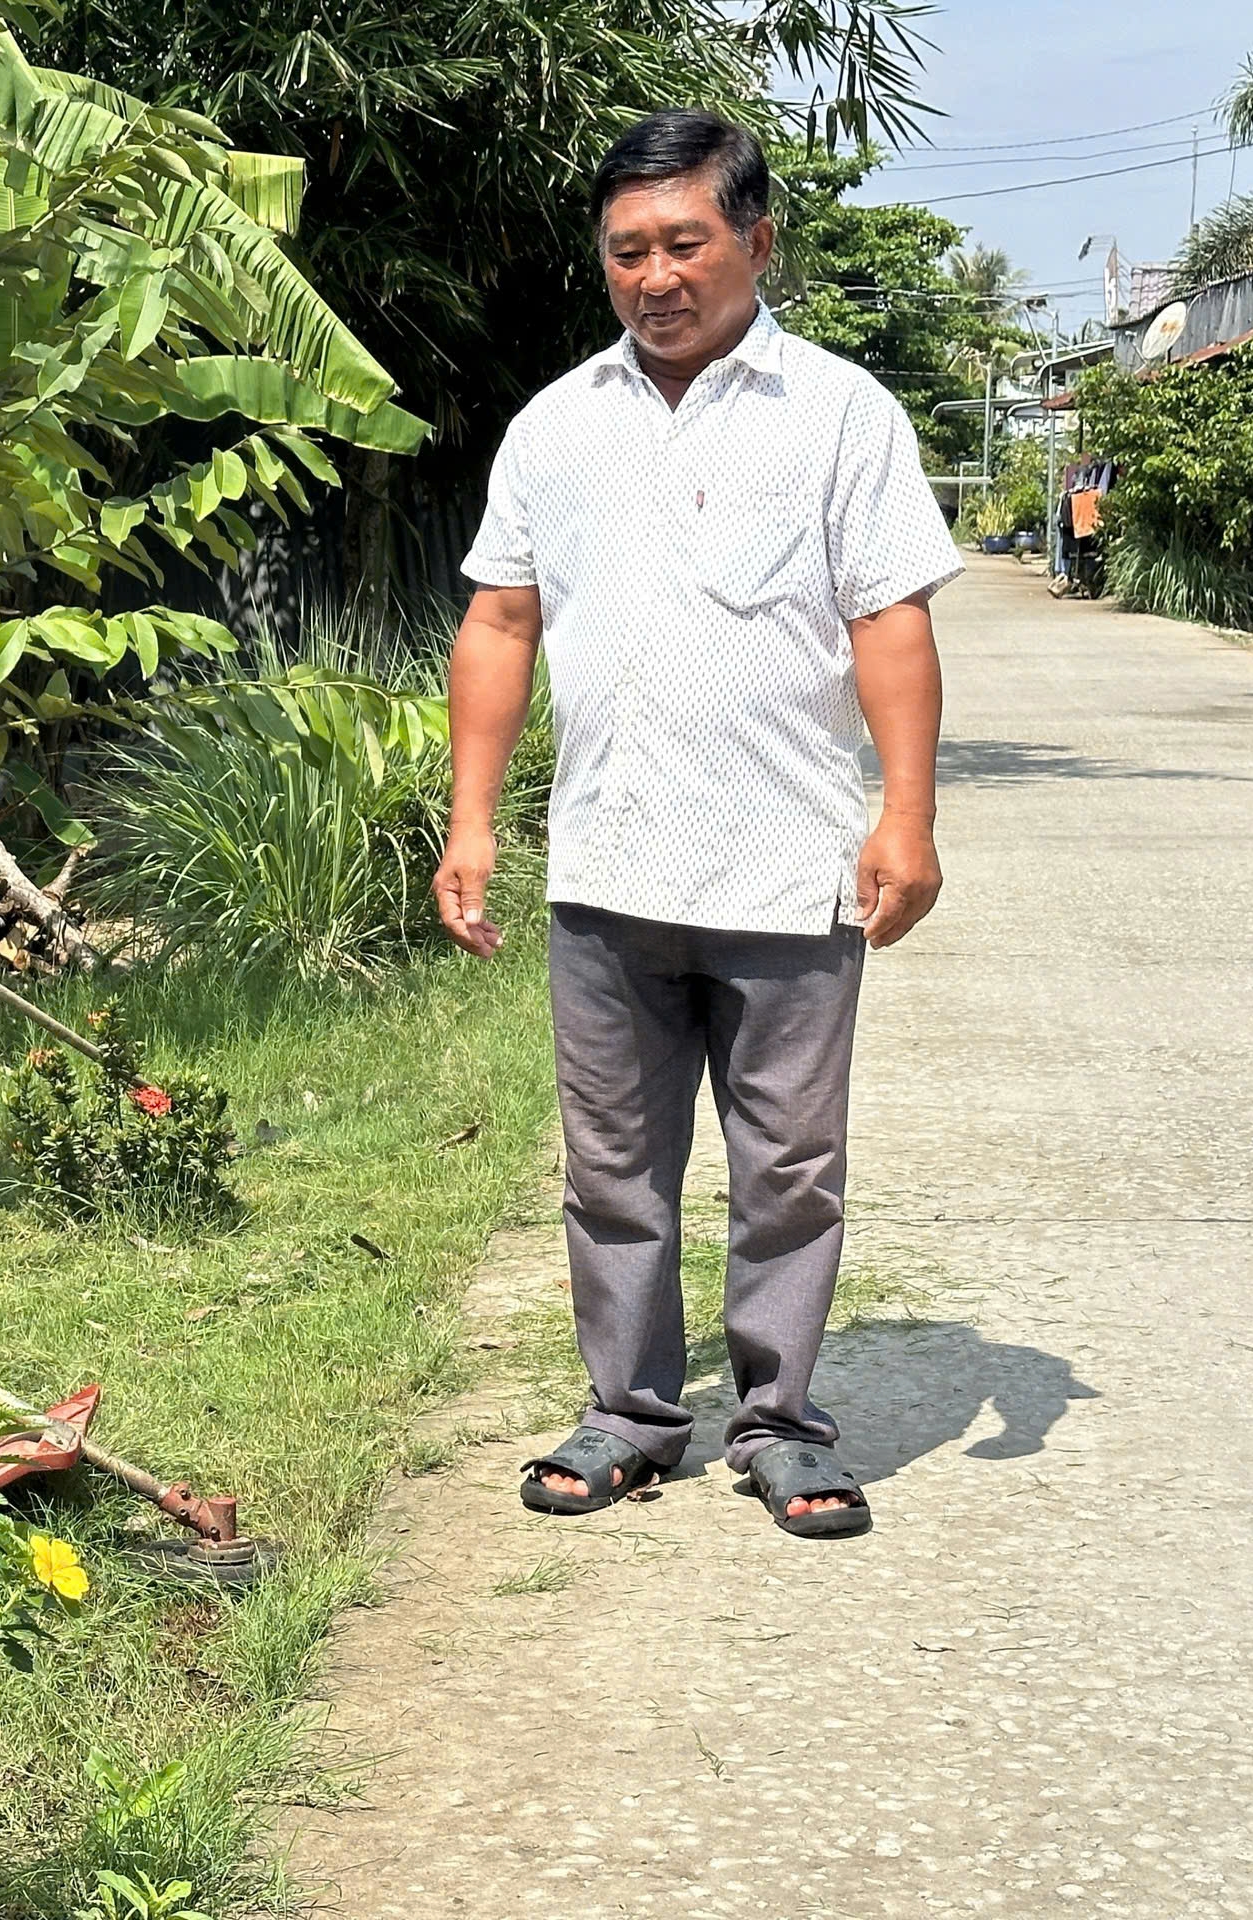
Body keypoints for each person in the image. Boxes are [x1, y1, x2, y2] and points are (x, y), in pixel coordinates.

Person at [431, 111, 960, 1540]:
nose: (656, 274)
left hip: (783, 870)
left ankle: (782, 1420)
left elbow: (888, 620)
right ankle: (630, 1413)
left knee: (789, 1168)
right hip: (607, 866)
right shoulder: (558, 423)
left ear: (756, 243)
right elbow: (499, 621)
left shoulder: (843, 413)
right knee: (612, 1168)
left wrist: (904, 818)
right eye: (628, 251)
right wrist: (471, 821)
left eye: (685, 242)